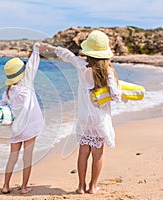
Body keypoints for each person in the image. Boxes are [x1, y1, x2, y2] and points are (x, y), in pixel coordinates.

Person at [45, 30, 123, 194]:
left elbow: (67, 55)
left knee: (83, 151)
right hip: (100, 117)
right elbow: (116, 96)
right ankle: (93, 187)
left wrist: (51, 48)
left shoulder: (82, 66)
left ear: (88, 52)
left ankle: (81, 186)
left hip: (84, 116)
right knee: (98, 153)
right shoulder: (108, 70)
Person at [0, 43, 48, 194]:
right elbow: (33, 66)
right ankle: (24, 187)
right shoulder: (26, 87)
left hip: (16, 130)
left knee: (12, 158)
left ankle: (6, 186)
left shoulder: (8, 92)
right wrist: (36, 50)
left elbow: (2, 105)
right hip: (30, 128)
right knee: (27, 159)